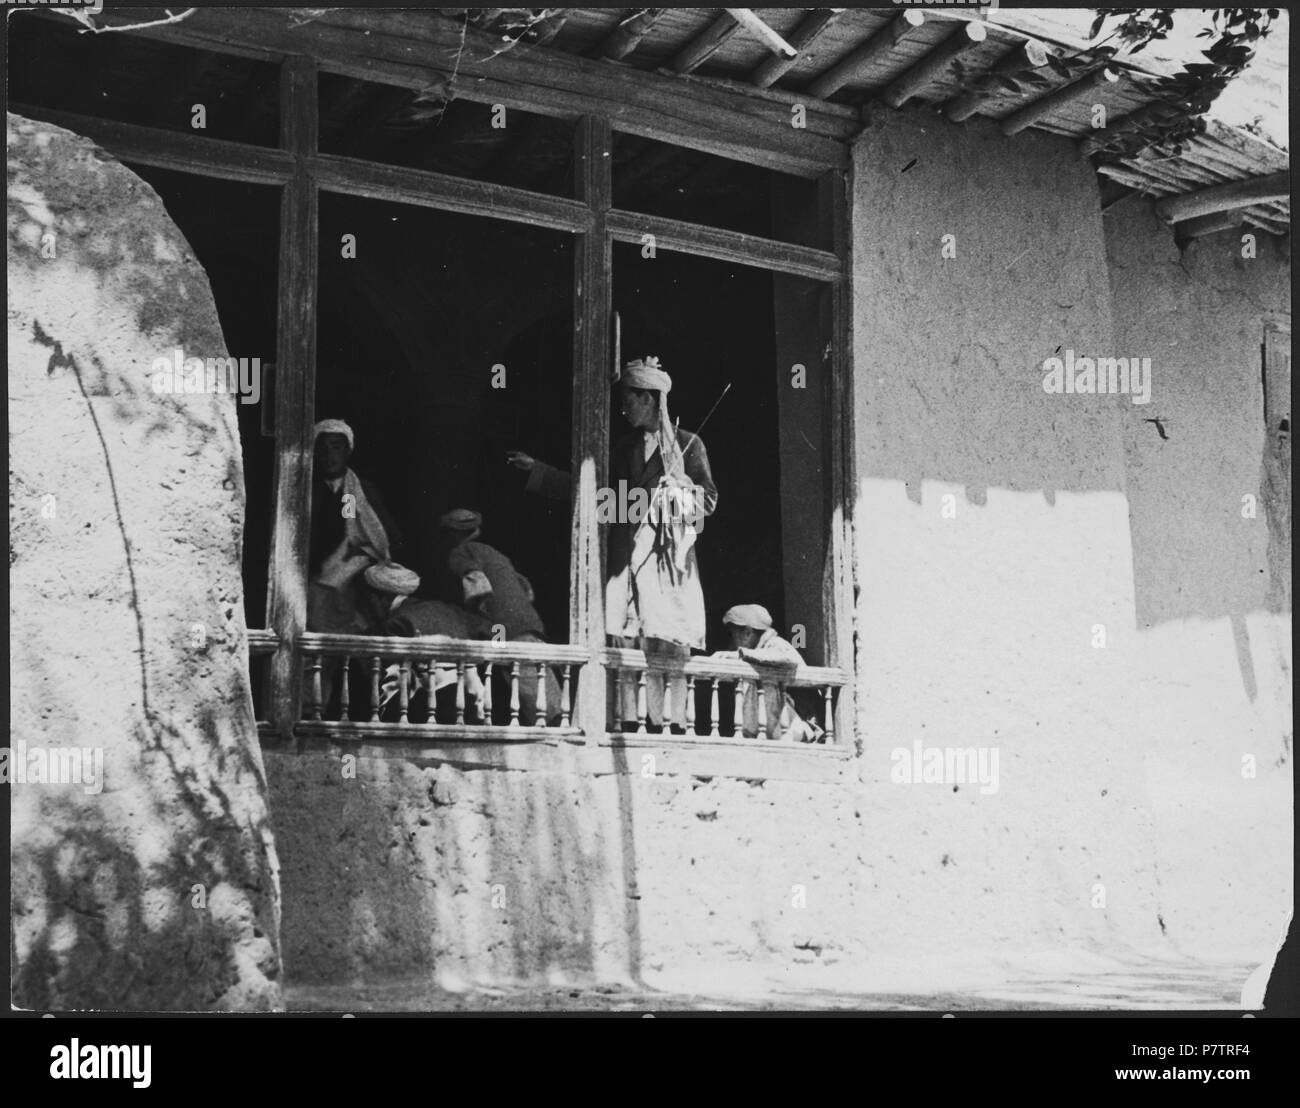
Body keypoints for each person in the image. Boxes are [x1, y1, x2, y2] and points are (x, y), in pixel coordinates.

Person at [509, 356, 718, 732]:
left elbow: (706, 502)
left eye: (630, 399)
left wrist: (680, 492)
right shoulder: (624, 448)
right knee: (624, 636)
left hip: (668, 561)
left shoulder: (689, 445)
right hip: (628, 554)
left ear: (651, 399)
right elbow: (597, 490)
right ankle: (627, 723)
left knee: (665, 638)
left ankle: (667, 725)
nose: (623, 407)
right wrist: (540, 472)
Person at [438, 508, 561, 726]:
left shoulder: (461, 552)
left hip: (501, 625)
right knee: (534, 674)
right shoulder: (493, 553)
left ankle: (548, 725)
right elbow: (526, 590)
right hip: (529, 621)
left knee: (512, 668)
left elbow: (478, 586)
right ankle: (549, 720)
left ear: (452, 533)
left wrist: (472, 616)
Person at [307, 418, 408, 635]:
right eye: (323, 448)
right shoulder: (307, 490)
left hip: (354, 575)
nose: (329, 455)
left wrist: (363, 552)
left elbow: (371, 531)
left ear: (347, 451)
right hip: (316, 576)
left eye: (336, 448)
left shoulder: (358, 491)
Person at [712, 604, 824, 743]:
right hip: (780, 729)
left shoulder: (777, 644)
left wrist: (741, 655)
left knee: (764, 682)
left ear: (747, 632)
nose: (732, 641)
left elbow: (788, 659)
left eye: (733, 634)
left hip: (800, 726)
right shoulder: (760, 649)